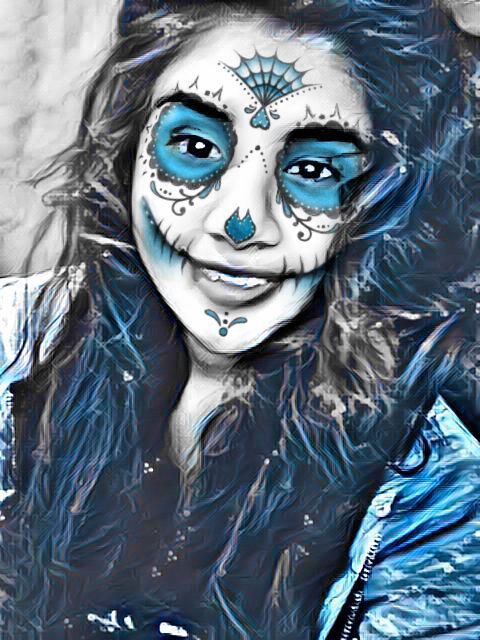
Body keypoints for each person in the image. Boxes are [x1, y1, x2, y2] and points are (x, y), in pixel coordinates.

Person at [0, 1, 478, 638]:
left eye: (312, 171)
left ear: (382, 200)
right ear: (131, 147)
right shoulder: (15, 344)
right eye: (196, 147)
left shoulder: (437, 491)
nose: (240, 220)